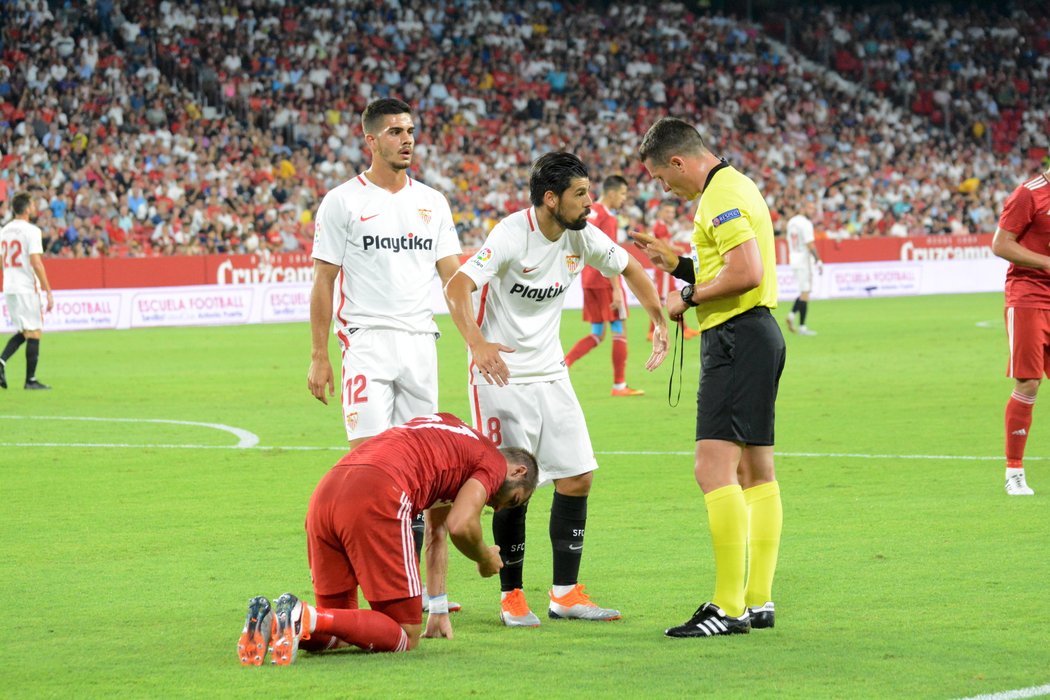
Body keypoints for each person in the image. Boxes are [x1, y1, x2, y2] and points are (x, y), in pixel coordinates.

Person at [444, 151, 669, 627]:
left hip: (551, 372)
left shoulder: (581, 235)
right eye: (580, 194)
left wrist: (658, 320)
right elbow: (458, 286)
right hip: (500, 375)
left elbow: (629, 267)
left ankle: (565, 594)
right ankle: (511, 596)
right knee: (512, 485)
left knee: (578, 475)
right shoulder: (510, 235)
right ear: (551, 199)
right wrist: (477, 343)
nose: (590, 203)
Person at [305, 98, 464, 610]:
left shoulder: (434, 203)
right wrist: (318, 355)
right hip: (367, 345)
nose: (407, 139)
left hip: (421, 344)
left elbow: (453, 278)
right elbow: (323, 280)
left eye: (411, 130)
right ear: (370, 140)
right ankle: (372, 583)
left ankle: (420, 591)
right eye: (395, 131)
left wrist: (477, 338)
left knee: (425, 473)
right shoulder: (342, 202)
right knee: (369, 470)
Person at [634, 117, 786, 638]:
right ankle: (759, 600)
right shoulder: (738, 184)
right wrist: (679, 264)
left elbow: (746, 273)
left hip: (736, 338)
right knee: (756, 471)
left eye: (660, 177)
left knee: (711, 469)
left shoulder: (717, 197)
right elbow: (732, 264)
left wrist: (686, 296)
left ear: (678, 161)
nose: (663, 187)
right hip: (760, 334)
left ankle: (727, 606)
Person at [236, 412, 539, 666]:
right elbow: (462, 525)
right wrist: (485, 557)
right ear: (518, 470)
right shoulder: (492, 462)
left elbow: (438, 531)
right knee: (405, 633)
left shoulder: (455, 442)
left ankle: (275, 622)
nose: (497, 508)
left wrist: (438, 608)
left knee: (338, 630)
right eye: (512, 500)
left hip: (328, 491)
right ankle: (304, 615)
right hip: (378, 493)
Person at [990, 166, 1050, 496]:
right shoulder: (1029, 193)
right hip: (1029, 295)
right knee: (1029, 381)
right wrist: (1046, 262)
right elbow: (1001, 244)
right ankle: (1014, 472)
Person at [564, 174, 644, 396]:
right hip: (604, 280)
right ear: (611, 193)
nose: (624, 199)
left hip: (587, 278)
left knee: (597, 333)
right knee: (619, 329)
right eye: (622, 193)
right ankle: (619, 385)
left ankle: (564, 364)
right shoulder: (608, 217)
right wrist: (617, 289)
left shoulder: (590, 210)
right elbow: (609, 256)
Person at [0, 192, 54, 390]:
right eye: (32, 204)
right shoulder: (32, 231)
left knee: (25, 331)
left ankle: (2, 362)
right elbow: (36, 263)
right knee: (35, 332)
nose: (34, 207)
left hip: (9, 286)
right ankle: (30, 380)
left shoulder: (4, 230)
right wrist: (48, 290)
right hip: (26, 286)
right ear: (27, 208)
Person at [648, 199, 699, 342]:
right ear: (661, 212)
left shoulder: (661, 226)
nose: (671, 215)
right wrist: (678, 249)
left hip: (663, 268)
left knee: (662, 299)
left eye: (672, 212)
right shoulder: (661, 227)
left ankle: (653, 330)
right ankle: (682, 329)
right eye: (668, 212)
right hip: (664, 268)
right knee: (668, 298)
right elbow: (664, 247)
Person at [784, 199, 822, 336]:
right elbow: (810, 243)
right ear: (803, 208)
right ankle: (802, 326)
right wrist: (818, 260)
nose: (813, 211)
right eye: (810, 208)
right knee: (805, 293)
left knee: (803, 292)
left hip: (793, 258)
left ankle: (791, 316)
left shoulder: (791, 222)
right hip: (803, 259)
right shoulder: (806, 224)